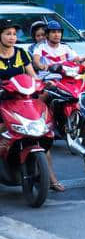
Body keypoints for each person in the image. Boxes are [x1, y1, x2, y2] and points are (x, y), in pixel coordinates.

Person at [0, 19, 65, 191]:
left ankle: (50, 178)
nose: (12, 37)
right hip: (3, 101)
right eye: (8, 34)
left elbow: (33, 76)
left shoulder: (22, 54)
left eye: (14, 34)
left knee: (39, 133)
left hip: (22, 101)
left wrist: (43, 84)